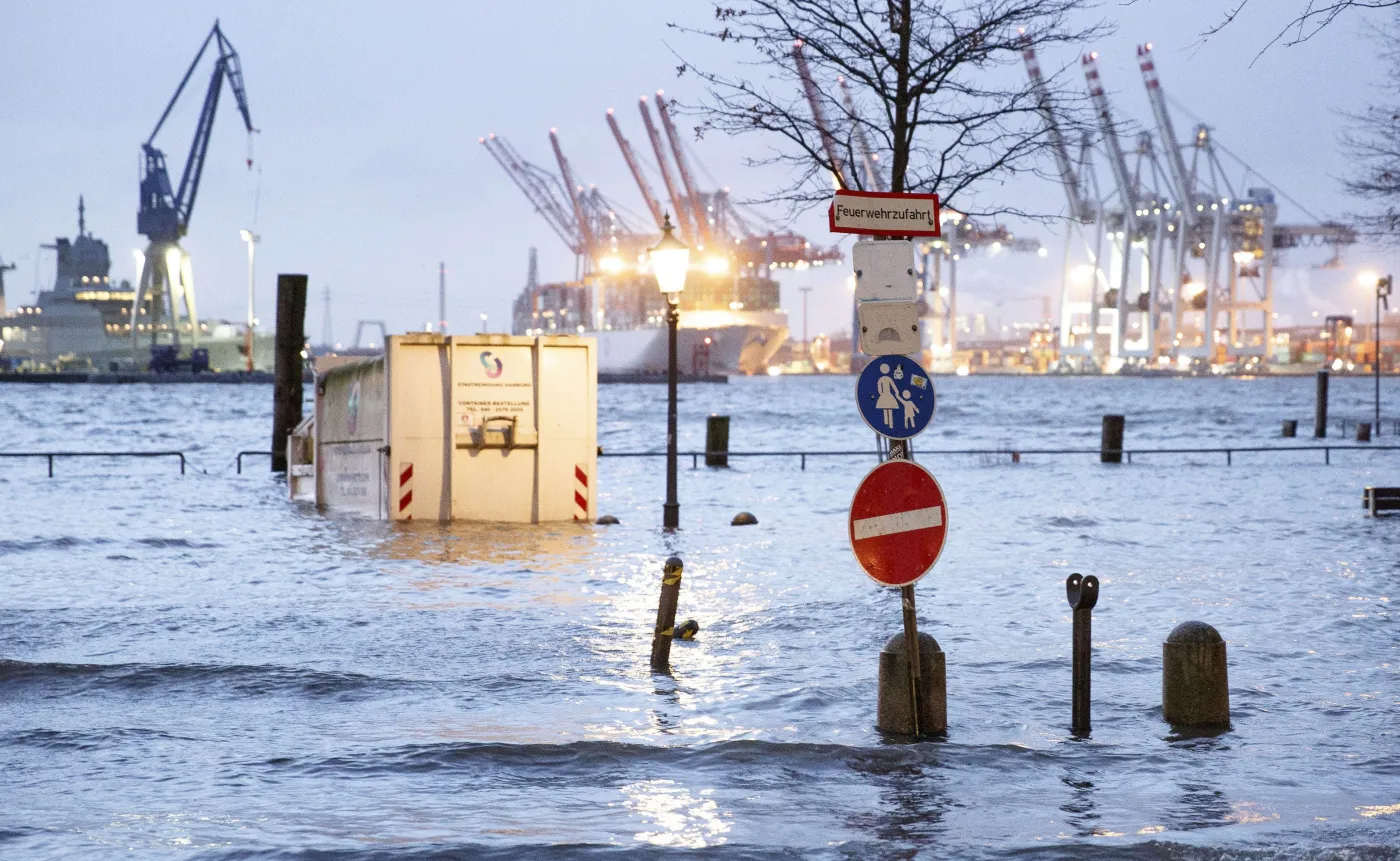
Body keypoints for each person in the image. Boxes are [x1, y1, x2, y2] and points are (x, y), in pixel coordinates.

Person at [875, 363, 899, 428]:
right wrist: (896, 391)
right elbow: (894, 386)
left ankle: (886, 423)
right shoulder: (889, 379)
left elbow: (879, 388)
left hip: (884, 395)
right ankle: (890, 424)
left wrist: (881, 394)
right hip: (888, 394)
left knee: (885, 409)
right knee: (889, 409)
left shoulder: (881, 379)